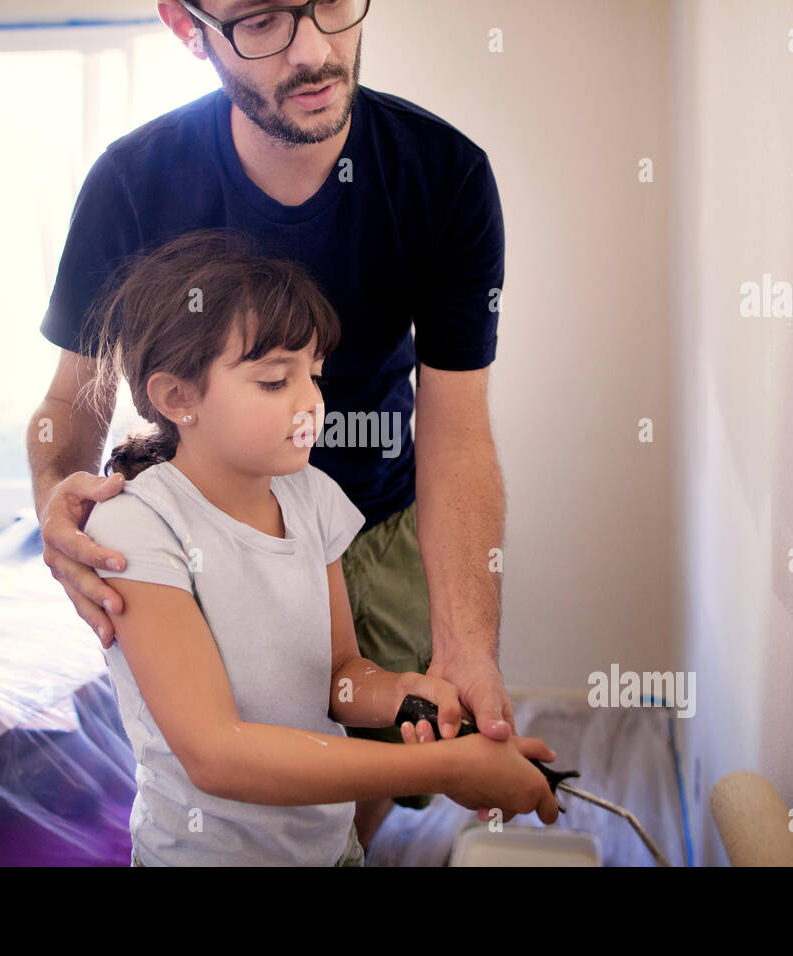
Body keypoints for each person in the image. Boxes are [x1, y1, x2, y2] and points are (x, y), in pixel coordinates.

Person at [28, 0, 515, 851]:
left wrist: (464, 649)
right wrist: (51, 504)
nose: (317, 50)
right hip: (200, 530)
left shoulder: (444, 175)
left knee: (354, 777)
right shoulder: (135, 183)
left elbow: (458, 436)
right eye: (260, 20)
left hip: (376, 514)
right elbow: (71, 404)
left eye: (332, 2)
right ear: (187, 27)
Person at [76, 228, 557, 865]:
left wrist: (404, 694)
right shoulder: (138, 527)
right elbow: (215, 754)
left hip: (330, 850)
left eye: (315, 375)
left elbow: (338, 679)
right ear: (178, 398)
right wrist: (441, 768)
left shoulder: (311, 495)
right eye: (276, 381)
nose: (310, 401)